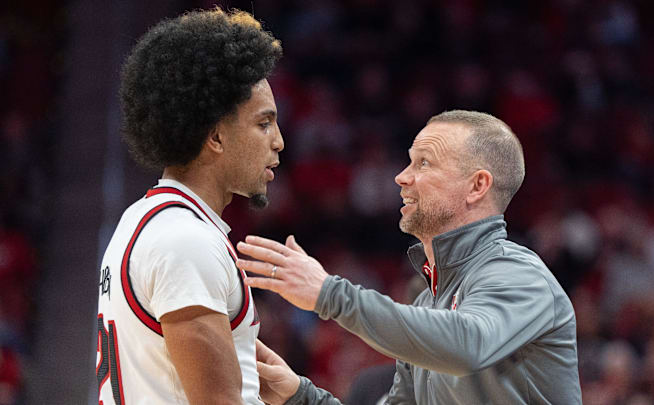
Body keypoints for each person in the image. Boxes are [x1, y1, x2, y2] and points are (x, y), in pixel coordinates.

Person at [236, 110, 582, 404]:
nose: (402, 177)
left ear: (477, 186)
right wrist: (300, 395)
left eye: (424, 163)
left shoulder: (518, 273)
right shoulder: (427, 302)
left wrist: (330, 294)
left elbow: (467, 346)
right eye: (409, 161)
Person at [96, 8, 283, 405]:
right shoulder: (186, 241)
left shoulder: (145, 220)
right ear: (215, 136)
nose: (278, 141)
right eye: (264, 124)